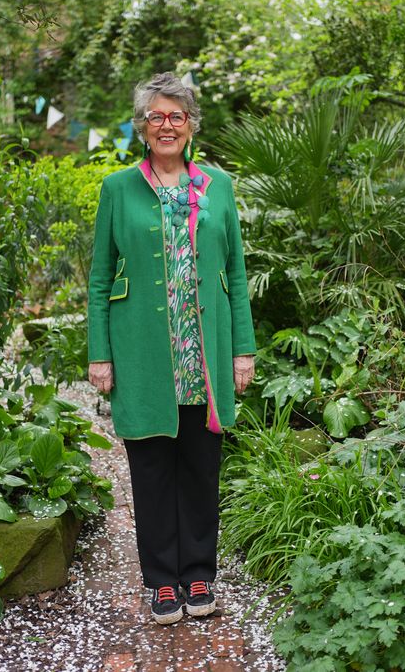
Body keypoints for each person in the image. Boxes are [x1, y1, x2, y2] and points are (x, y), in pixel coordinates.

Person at [86, 72, 256, 626]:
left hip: (202, 356)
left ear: (190, 127)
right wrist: (100, 353)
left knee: (200, 469)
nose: (166, 125)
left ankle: (199, 573)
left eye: (175, 116)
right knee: (153, 468)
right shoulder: (119, 189)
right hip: (142, 352)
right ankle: (162, 581)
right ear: (141, 127)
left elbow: (234, 270)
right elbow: (98, 279)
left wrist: (243, 351)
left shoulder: (218, 187)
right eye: (156, 116)